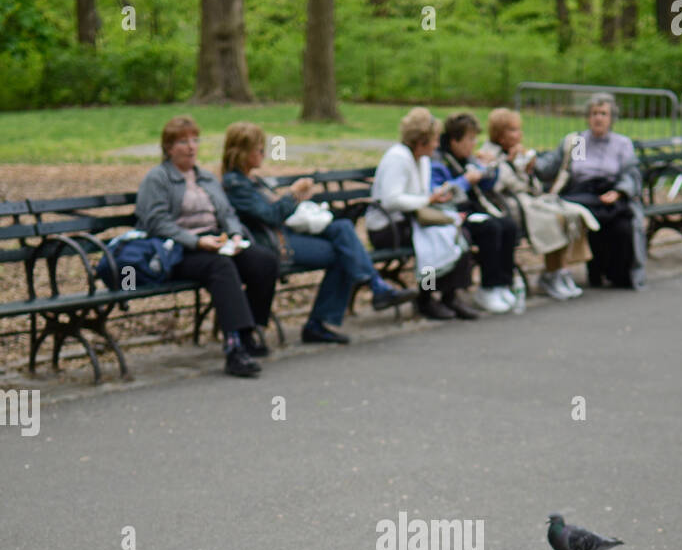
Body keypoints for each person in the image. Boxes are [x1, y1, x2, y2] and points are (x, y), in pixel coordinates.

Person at [220, 123, 415, 347]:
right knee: (344, 251)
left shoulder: (251, 180)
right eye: (259, 150)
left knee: (342, 229)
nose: (264, 154)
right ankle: (331, 315)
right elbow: (271, 216)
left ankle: (373, 287)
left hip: (287, 233)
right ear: (242, 153)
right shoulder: (236, 185)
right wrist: (294, 195)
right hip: (275, 244)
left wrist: (297, 198)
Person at [134, 115, 278, 377]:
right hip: (178, 251)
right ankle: (234, 350)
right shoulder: (158, 179)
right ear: (168, 148)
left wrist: (234, 235)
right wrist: (196, 241)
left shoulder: (207, 178)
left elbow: (227, 214)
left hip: (216, 242)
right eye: (182, 142)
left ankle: (250, 332)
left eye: (194, 140)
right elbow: (155, 223)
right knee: (221, 267)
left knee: (264, 261)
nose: (190, 147)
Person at [365, 107, 476, 321]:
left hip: (411, 220)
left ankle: (449, 295)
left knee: (459, 233)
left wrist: (436, 197)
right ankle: (425, 298)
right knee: (431, 242)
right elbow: (391, 199)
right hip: (387, 227)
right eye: (433, 140)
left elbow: (420, 195)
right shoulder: (398, 158)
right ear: (420, 141)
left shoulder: (422, 160)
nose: (436, 145)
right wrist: (427, 200)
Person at [484, 107, 600, 301]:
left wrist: (529, 166)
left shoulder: (520, 151)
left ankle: (559, 271)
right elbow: (502, 184)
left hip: (537, 198)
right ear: (500, 134)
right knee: (556, 218)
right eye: (513, 130)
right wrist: (510, 162)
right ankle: (552, 274)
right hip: (515, 204)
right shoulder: (490, 154)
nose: (519, 134)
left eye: (519, 129)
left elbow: (536, 181)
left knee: (574, 214)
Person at [533, 93, 646, 290]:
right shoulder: (580, 142)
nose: (598, 118)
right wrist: (531, 161)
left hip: (612, 192)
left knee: (622, 224)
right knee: (585, 216)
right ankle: (591, 272)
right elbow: (573, 170)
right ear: (588, 117)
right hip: (583, 193)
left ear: (611, 118)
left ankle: (620, 275)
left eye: (603, 113)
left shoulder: (621, 144)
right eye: (594, 113)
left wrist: (619, 192)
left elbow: (630, 174)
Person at [430, 113, 520, 314]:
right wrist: (466, 181)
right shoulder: (438, 161)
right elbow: (438, 192)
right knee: (490, 228)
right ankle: (481, 289)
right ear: (454, 140)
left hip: (466, 212)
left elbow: (487, 183)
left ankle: (500, 285)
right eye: (470, 139)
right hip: (445, 216)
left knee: (508, 225)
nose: (474, 144)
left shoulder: (465, 158)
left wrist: (489, 169)